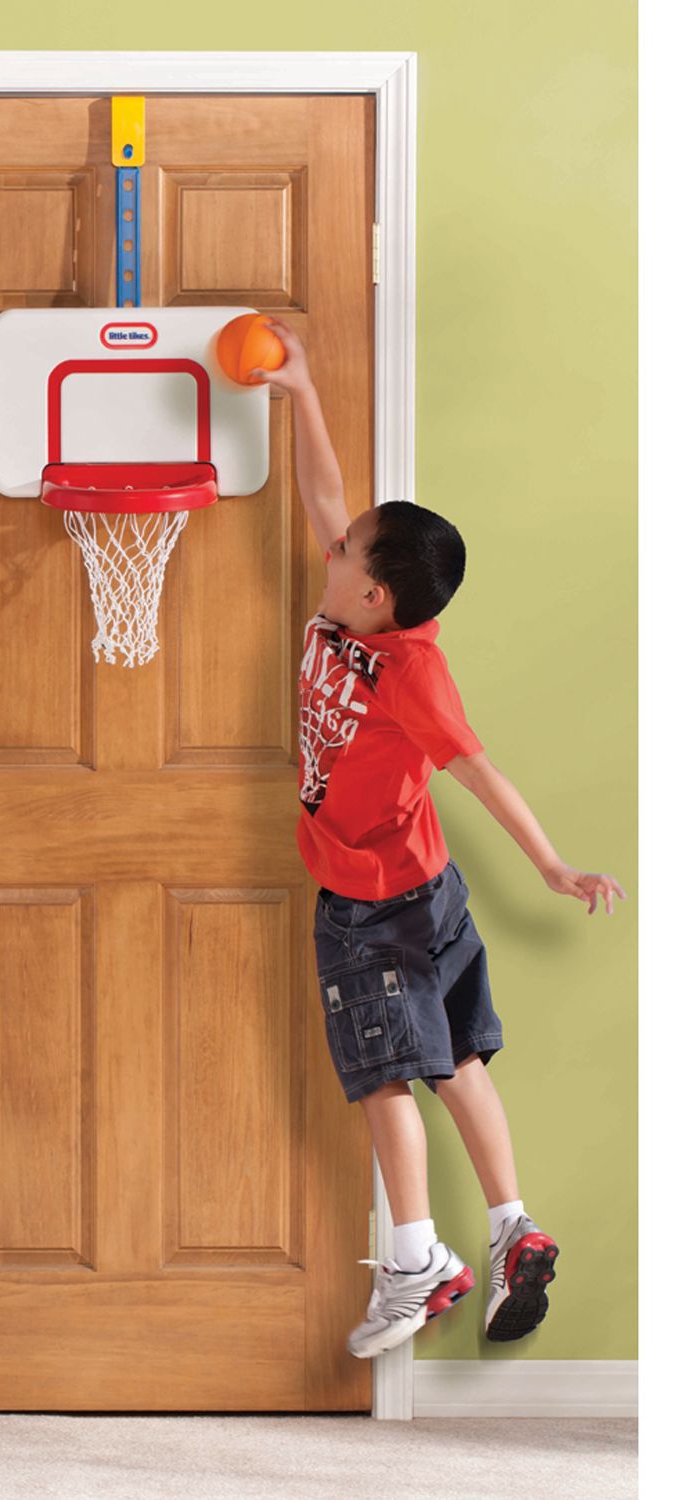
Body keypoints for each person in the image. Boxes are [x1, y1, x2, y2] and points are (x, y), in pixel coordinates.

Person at [255, 319, 626, 1357]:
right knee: (457, 1059)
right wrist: (302, 392)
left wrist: (551, 863)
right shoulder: (353, 616)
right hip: (430, 891)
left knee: (381, 1076)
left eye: (343, 551)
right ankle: (513, 1227)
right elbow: (328, 496)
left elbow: (479, 768)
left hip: (375, 902)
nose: (328, 544)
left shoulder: (412, 670)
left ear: (375, 593)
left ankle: (418, 1262)